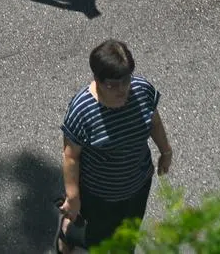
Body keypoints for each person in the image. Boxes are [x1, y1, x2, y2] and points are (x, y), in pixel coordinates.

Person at [59, 40, 173, 254]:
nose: (122, 90)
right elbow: (71, 157)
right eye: (112, 84)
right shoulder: (82, 110)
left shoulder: (142, 91)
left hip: (138, 186)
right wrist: (73, 197)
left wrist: (166, 151)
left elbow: (154, 123)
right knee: (98, 238)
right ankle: (68, 233)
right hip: (99, 196)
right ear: (97, 80)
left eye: (126, 80)